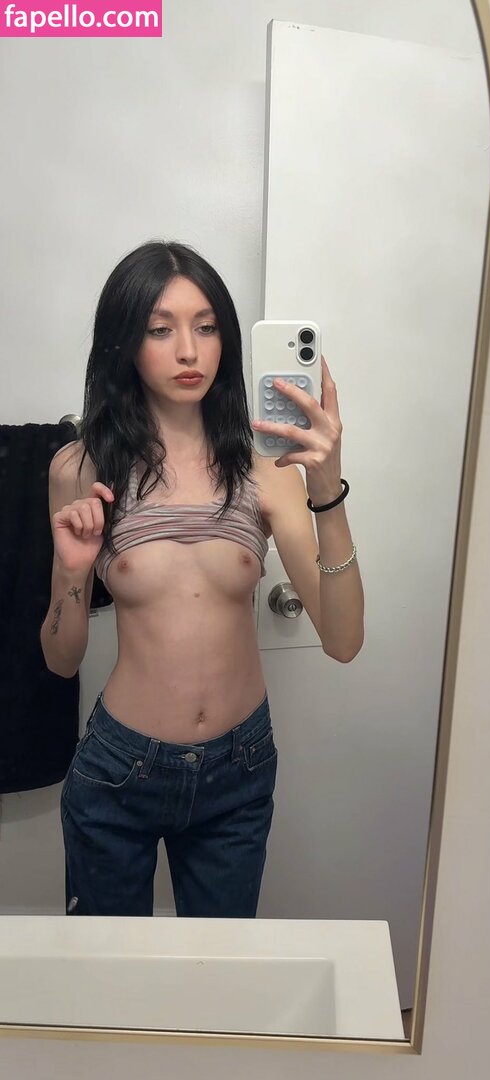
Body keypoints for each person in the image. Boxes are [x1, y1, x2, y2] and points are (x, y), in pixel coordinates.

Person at [40, 240, 364, 918]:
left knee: (220, 969)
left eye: (206, 326)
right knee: (112, 971)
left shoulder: (265, 467)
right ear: (126, 343)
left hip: (238, 771)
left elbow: (343, 641)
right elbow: (62, 660)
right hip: (118, 771)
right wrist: (73, 573)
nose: (189, 351)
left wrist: (326, 491)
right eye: (161, 330)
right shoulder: (81, 466)